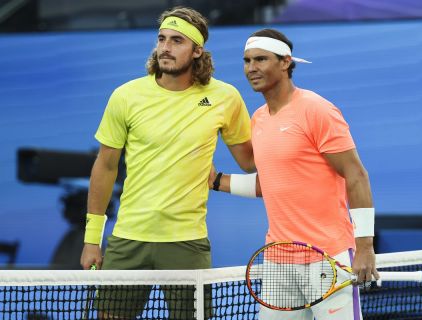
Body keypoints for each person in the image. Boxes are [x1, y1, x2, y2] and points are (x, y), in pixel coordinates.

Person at [80, 6, 255, 319]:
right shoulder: (126, 96)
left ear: (197, 51)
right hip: (129, 237)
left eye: (177, 41)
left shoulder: (225, 98)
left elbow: (251, 161)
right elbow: (105, 167)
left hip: (187, 241)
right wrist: (92, 239)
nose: (165, 47)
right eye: (161, 39)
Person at [210, 28, 379, 320]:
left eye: (261, 59)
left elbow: (356, 175)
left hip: (328, 259)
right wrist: (215, 181)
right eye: (247, 60)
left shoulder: (317, 109)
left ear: (285, 62)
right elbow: (272, 183)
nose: (252, 68)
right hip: (278, 261)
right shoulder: (259, 118)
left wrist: (365, 246)